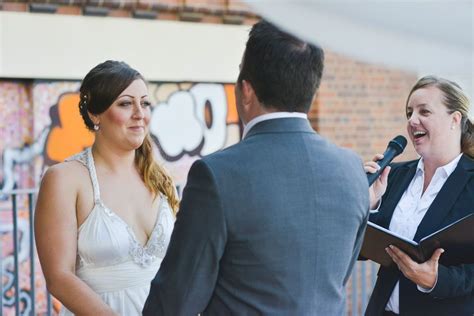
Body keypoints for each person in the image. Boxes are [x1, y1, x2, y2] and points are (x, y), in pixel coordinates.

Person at [143, 20, 369, 315]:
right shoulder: (352, 170)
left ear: (246, 91)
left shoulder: (217, 175)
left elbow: (176, 301)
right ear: (311, 88)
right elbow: (339, 275)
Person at [34, 60, 179, 315]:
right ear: (94, 114)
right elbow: (58, 277)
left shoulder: (161, 179)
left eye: (144, 103)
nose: (139, 113)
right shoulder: (65, 179)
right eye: (125, 103)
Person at [364, 76, 474, 315]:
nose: (412, 120)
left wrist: (436, 279)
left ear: (455, 119)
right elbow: (364, 250)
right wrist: (368, 206)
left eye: (424, 111)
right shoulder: (395, 174)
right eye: (409, 112)